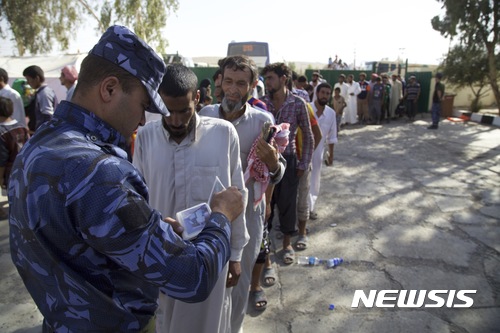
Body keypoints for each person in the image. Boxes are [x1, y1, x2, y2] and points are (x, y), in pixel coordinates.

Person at [8, 25, 244, 333]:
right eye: (143, 104)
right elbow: (191, 278)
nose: (144, 119)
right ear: (109, 89)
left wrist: (151, 230)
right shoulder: (99, 171)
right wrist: (222, 217)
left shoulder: (37, 148)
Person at [133, 63, 248, 333]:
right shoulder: (146, 137)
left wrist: (236, 254)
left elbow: (236, 195)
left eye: (183, 110)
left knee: (211, 322)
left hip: (212, 255)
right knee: (165, 322)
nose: (175, 120)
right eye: (167, 111)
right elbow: (138, 200)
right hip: (163, 256)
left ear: (197, 98)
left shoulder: (222, 134)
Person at [200, 55, 285, 331]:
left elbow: (276, 173)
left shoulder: (263, 122)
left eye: (240, 83)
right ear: (220, 82)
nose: (233, 89)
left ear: (252, 86)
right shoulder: (205, 117)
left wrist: (272, 162)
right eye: (228, 82)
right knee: (209, 281)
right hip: (209, 215)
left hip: (249, 217)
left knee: (239, 283)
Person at [261, 63, 314, 265]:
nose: (267, 83)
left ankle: (286, 244)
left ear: (284, 79)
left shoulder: (298, 103)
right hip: (265, 162)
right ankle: (264, 252)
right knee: (266, 206)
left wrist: (303, 163)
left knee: (288, 204)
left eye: (271, 78)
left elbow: (308, 137)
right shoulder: (262, 103)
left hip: (289, 161)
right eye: (266, 79)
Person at [309, 83, 337, 217]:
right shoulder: (307, 108)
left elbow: (332, 137)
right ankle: (299, 210)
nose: (325, 95)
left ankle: (310, 209)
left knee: (314, 182)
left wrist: (331, 155)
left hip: (318, 154)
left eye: (327, 93)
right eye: (323, 92)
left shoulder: (331, 113)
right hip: (302, 152)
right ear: (317, 93)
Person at [0, 96, 29, 199]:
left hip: (9, 172)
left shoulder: (2, 132)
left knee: (12, 198)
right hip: (23, 167)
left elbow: (2, 161)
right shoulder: (21, 127)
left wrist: (1, 178)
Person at [22, 65, 58, 131]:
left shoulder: (44, 93)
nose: (27, 82)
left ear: (37, 78)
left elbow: (48, 116)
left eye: (28, 79)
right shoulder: (40, 92)